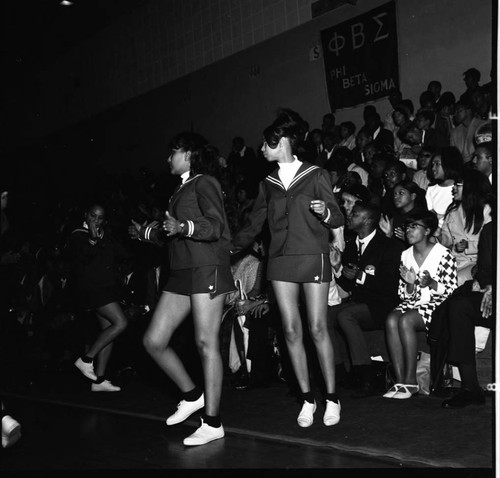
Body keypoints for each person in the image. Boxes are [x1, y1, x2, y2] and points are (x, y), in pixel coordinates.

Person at [231, 108, 345, 428]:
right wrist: (228, 245)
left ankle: (332, 398)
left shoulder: (316, 174)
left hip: (313, 256)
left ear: (280, 142)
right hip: (280, 260)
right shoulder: (266, 183)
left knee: (318, 328)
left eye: (266, 144)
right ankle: (307, 399)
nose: (262, 149)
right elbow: (253, 225)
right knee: (291, 330)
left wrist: (325, 212)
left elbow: (337, 217)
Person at [129, 132, 236, 446]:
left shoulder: (205, 183)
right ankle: (192, 394)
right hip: (181, 273)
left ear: (188, 154)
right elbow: (173, 234)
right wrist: (146, 234)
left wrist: (184, 226)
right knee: (153, 340)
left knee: (206, 343)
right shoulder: (180, 189)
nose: (167, 159)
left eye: (172, 153)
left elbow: (216, 226)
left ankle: (213, 422)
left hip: (206, 268)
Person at [328, 201, 403, 397]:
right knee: (325, 316)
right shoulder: (351, 246)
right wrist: (337, 269)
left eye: (355, 214)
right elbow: (347, 286)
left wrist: (360, 276)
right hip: (358, 303)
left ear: (368, 220)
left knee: (346, 316)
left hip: (382, 305)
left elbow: (390, 286)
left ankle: (366, 375)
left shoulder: (388, 246)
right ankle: (339, 373)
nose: (349, 217)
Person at [384, 209, 458, 399]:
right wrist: (410, 283)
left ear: (427, 231)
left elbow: (451, 290)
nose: (409, 231)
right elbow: (403, 294)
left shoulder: (444, 254)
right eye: (408, 226)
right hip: (415, 302)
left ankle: (411, 381)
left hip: (439, 304)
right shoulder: (405, 254)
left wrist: (431, 283)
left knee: (406, 320)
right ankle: (400, 382)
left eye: (414, 226)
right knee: (392, 319)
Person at [65, 202, 129, 392]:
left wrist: (140, 237)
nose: (96, 220)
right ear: (86, 215)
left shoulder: (104, 235)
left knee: (109, 330)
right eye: (93, 216)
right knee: (121, 323)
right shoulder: (77, 235)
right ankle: (86, 359)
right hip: (93, 290)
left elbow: (121, 254)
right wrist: (92, 241)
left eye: (100, 218)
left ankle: (99, 381)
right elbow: (83, 258)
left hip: (106, 289)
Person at [430, 221, 493, 408]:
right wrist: (488, 285)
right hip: (493, 297)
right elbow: (485, 268)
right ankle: (470, 388)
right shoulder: (491, 229)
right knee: (459, 305)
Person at [438, 169, 492, 286]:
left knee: (453, 282)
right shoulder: (453, 210)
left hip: (477, 263)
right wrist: (438, 235)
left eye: (458, 185)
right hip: (456, 260)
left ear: (470, 187)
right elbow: (446, 239)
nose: (454, 188)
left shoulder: (487, 211)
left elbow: (491, 244)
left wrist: (468, 246)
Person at [425, 146, 464, 228]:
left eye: (437, 164)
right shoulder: (431, 189)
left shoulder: (461, 188)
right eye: (432, 165)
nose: (433, 168)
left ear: (449, 164)